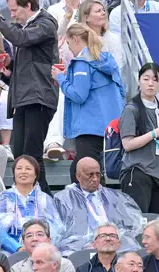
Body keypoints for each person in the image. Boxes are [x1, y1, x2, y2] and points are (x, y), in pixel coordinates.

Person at [0, 0, 57, 193]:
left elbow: (21, 38)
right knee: (21, 154)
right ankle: (25, 197)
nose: (12, 15)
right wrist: (10, 64)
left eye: (14, 10)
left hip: (38, 97)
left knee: (32, 155)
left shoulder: (46, 23)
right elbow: (31, 63)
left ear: (28, 6)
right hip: (23, 97)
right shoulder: (29, 27)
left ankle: (44, 199)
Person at [52, 22, 124, 182]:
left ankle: (87, 205)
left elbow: (78, 95)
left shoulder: (81, 63)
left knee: (84, 172)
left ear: (76, 39)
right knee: (95, 172)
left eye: (69, 44)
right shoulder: (107, 61)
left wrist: (61, 78)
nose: (69, 49)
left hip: (89, 127)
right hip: (110, 127)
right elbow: (121, 92)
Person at [54, 159, 144, 257]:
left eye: (98, 174)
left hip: (115, 245)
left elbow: (133, 226)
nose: (95, 179)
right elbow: (58, 233)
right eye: (90, 175)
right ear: (78, 176)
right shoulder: (64, 199)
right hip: (81, 249)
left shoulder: (114, 197)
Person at [119, 63, 159, 214]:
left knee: (155, 224)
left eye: (155, 79)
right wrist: (155, 133)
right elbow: (127, 144)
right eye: (146, 78)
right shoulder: (131, 109)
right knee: (138, 223)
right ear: (139, 81)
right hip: (137, 172)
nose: (150, 83)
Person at [0, 158, 66, 257]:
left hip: (42, 248)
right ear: (14, 173)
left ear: (36, 174)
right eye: (19, 168)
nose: (23, 172)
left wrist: (40, 245)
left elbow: (56, 228)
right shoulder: (3, 198)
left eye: (28, 169)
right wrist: (17, 247)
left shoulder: (44, 199)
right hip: (11, 251)